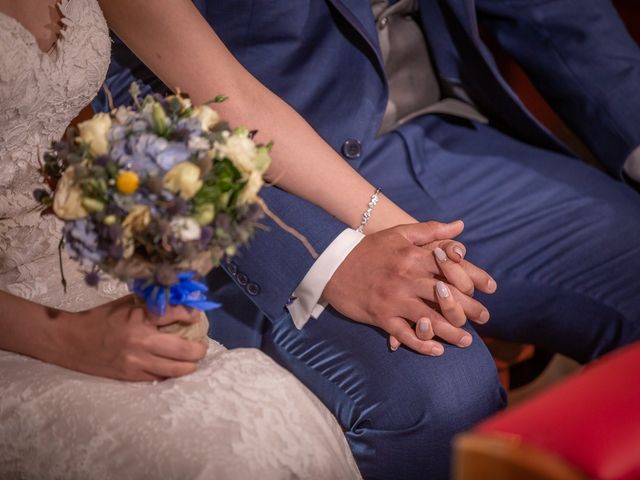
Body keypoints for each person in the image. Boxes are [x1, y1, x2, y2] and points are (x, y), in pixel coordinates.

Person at [98, 0, 640, 478]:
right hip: (270, 181)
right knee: (441, 392)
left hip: (447, 133)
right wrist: (326, 257)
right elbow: (130, 83)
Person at [1, 0, 493, 477]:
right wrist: (64, 337)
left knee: (270, 428)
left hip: (93, 249)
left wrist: (414, 245)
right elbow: (136, 100)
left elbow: (234, 97)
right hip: (28, 318)